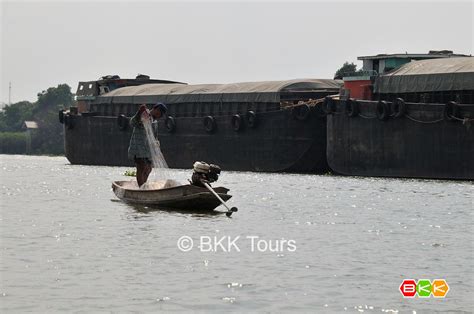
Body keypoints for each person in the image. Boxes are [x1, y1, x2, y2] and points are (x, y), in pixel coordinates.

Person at [128, 103, 167, 187]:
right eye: (159, 113)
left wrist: (158, 150)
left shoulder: (154, 121)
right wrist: (139, 112)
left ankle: (143, 186)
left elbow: (155, 137)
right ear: (155, 109)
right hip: (138, 148)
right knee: (141, 167)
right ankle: (141, 188)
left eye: (161, 115)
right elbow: (132, 123)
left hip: (148, 150)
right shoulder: (143, 115)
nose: (159, 115)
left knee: (148, 168)